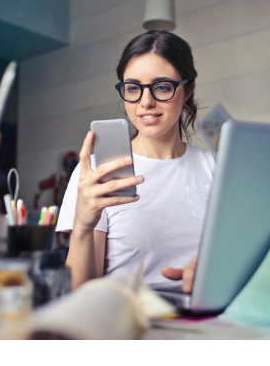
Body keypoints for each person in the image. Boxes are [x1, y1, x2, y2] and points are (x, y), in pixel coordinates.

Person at [57, 30, 216, 291]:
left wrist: (214, 270)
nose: (146, 102)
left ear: (188, 91)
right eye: (132, 88)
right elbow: (80, 294)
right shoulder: (98, 172)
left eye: (162, 87)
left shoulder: (217, 168)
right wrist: (83, 226)